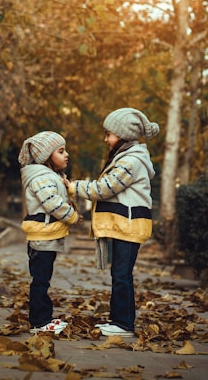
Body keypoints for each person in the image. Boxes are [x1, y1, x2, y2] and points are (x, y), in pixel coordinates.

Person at [67, 108, 159, 337]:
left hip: (129, 226)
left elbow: (105, 188)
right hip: (123, 225)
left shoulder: (131, 161)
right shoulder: (126, 158)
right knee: (120, 274)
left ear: (123, 135)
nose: (105, 139)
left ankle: (124, 324)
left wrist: (74, 187)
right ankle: (118, 320)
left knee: (121, 275)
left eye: (109, 134)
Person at [19, 131, 80, 335]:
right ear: (46, 156)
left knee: (43, 278)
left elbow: (59, 199)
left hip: (48, 235)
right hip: (42, 236)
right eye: (61, 151)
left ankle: (42, 318)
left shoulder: (51, 177)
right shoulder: (41, 178)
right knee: (41, 280)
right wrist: (71, 216)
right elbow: (52, 204)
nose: (67, 154)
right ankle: (40, 321)